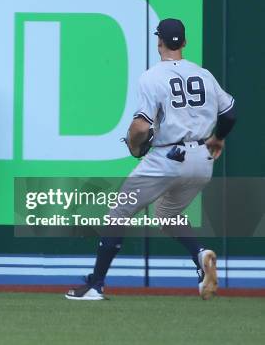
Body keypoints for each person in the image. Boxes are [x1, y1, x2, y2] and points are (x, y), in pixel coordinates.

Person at [66, 18, 237, 300]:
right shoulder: (204, 74)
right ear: (184, 43)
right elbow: (230, 113)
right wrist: (218, 138)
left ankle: (95, 285)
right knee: (167, 214)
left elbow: (141, 127)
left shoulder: (152, 76)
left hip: (170, 156)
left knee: (118, 213)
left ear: (159, 42)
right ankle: (200, 254)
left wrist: (134, 147)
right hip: (203, 159)